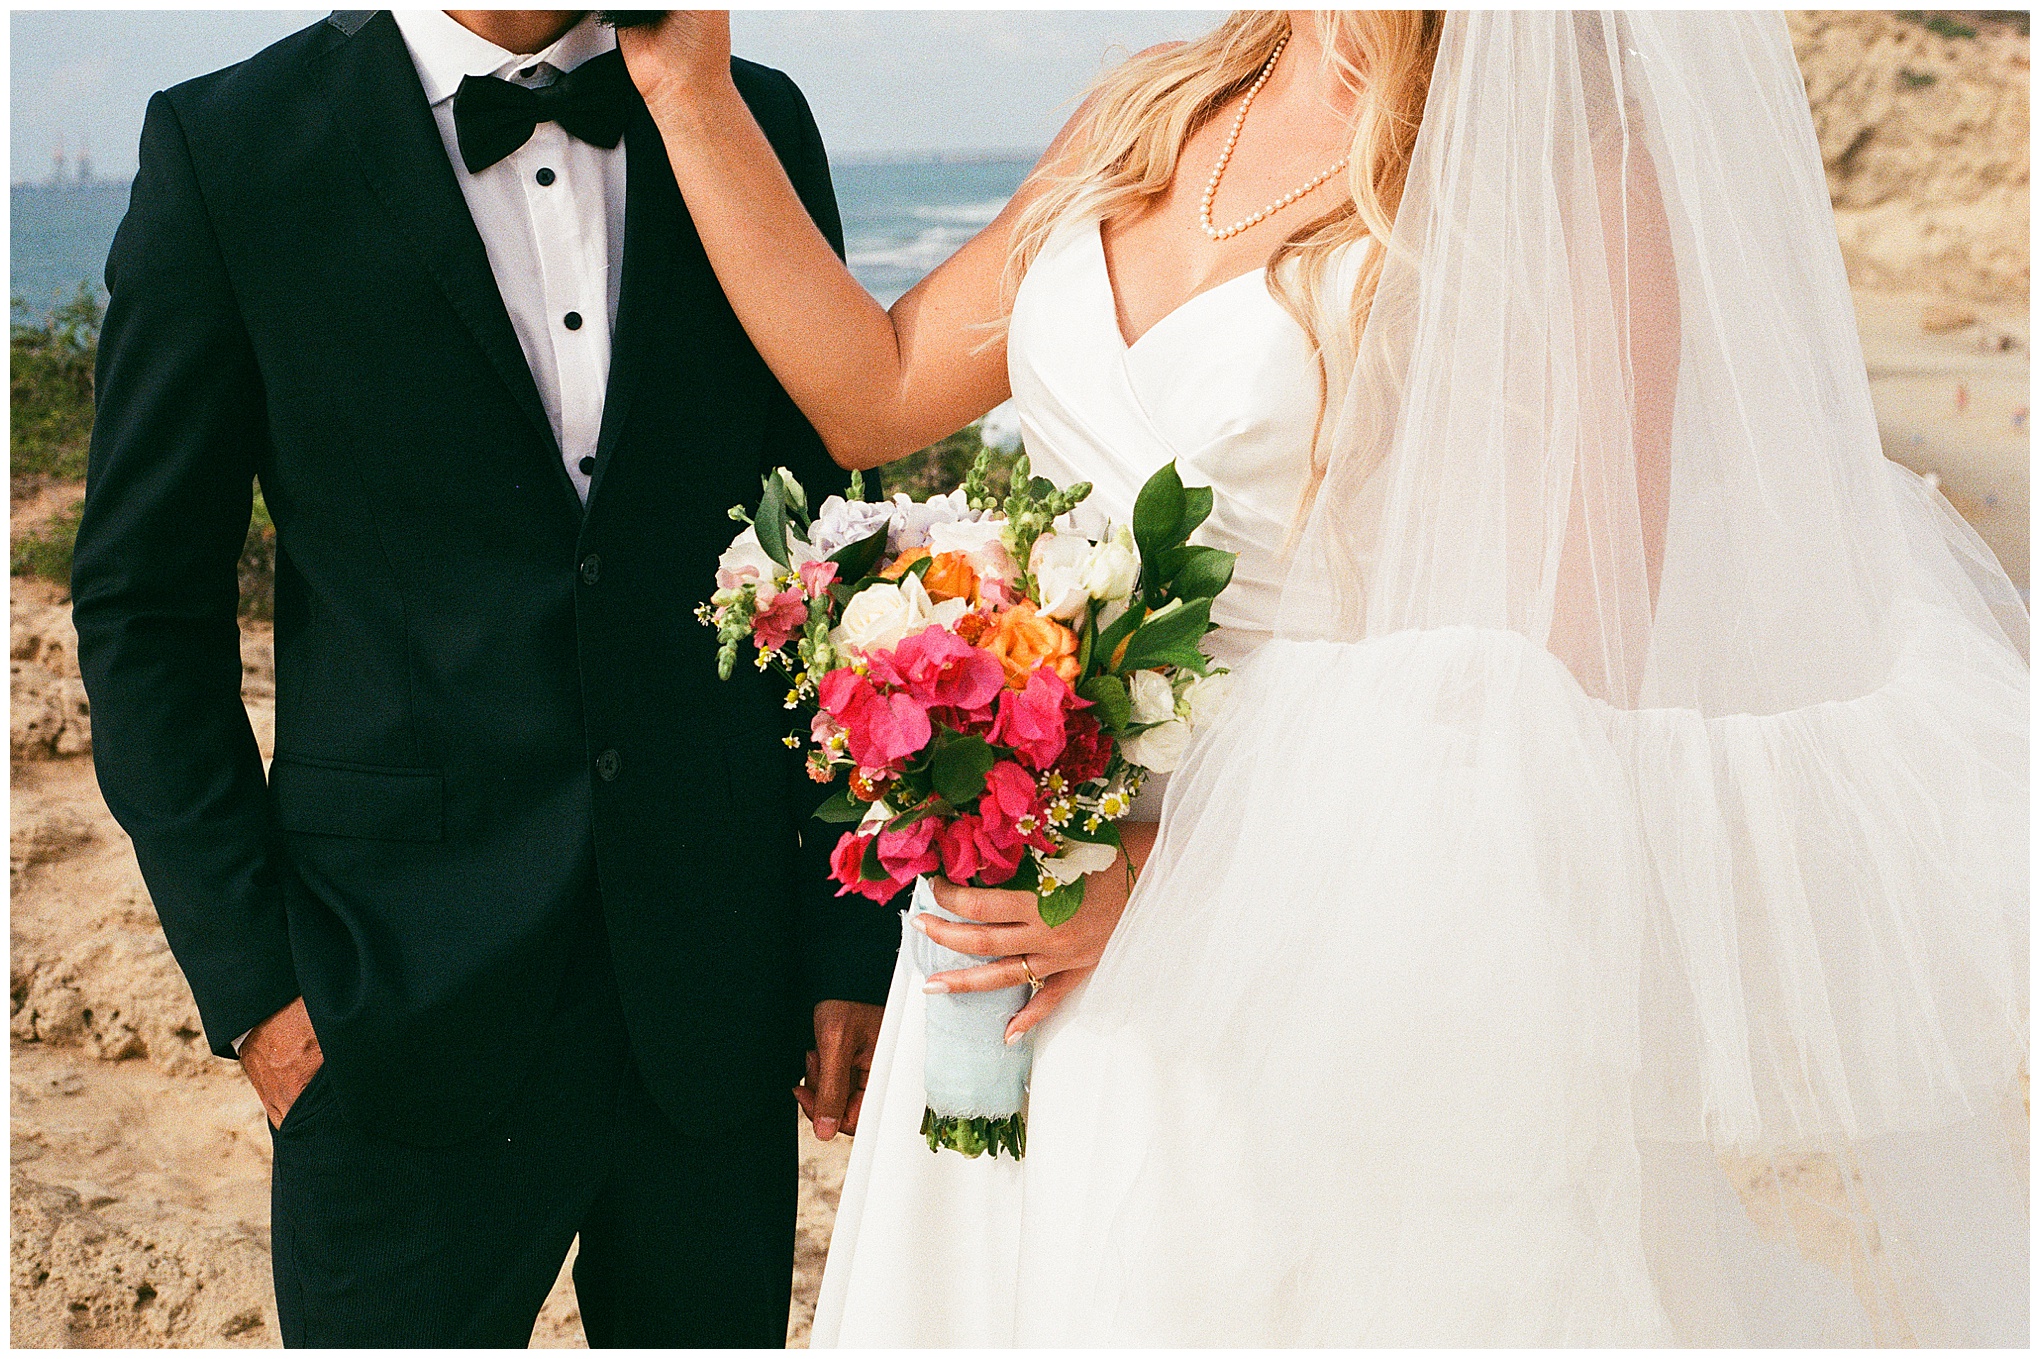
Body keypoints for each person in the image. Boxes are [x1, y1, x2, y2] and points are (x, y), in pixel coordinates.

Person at [621, 8, 2030, 1345]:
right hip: (1004, 928)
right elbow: (873, 389)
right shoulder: (1150, 113)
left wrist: (1169, 879)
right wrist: (691, 91)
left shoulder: (1577, 171)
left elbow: (1549, 695)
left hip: (1299, 964)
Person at [71, 9, 896, 1347]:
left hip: (712, 998)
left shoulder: (755, 120)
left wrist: (849, 930)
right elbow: (142, 606)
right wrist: (262, 996)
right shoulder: (229, 146)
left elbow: (835, 553)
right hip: (389, 1014)